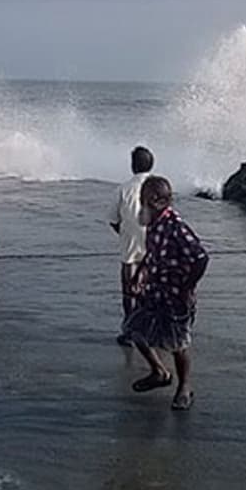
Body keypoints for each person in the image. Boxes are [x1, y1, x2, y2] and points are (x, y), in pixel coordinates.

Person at [122, 176, 210, 411]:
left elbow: (201, 258)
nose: (140, 205)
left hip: (175, 297)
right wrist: (139, 275)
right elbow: (151, 253)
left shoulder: (176, 227)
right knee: (134, 330)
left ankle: (184, 387)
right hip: (154, 293)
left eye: (143, 200)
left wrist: (187, 288)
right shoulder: (153, 223)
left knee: (178, 344)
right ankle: (159, 372)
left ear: (156, 201)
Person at [108, 146, 155, 346]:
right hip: (155, 246)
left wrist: (125, 234)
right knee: (150, 290)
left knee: (128, 290)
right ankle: (149, 329)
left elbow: (113, 220)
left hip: (130, 246)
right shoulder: (159, 187)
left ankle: (129, 330)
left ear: (132, 166)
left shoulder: (123, 189)